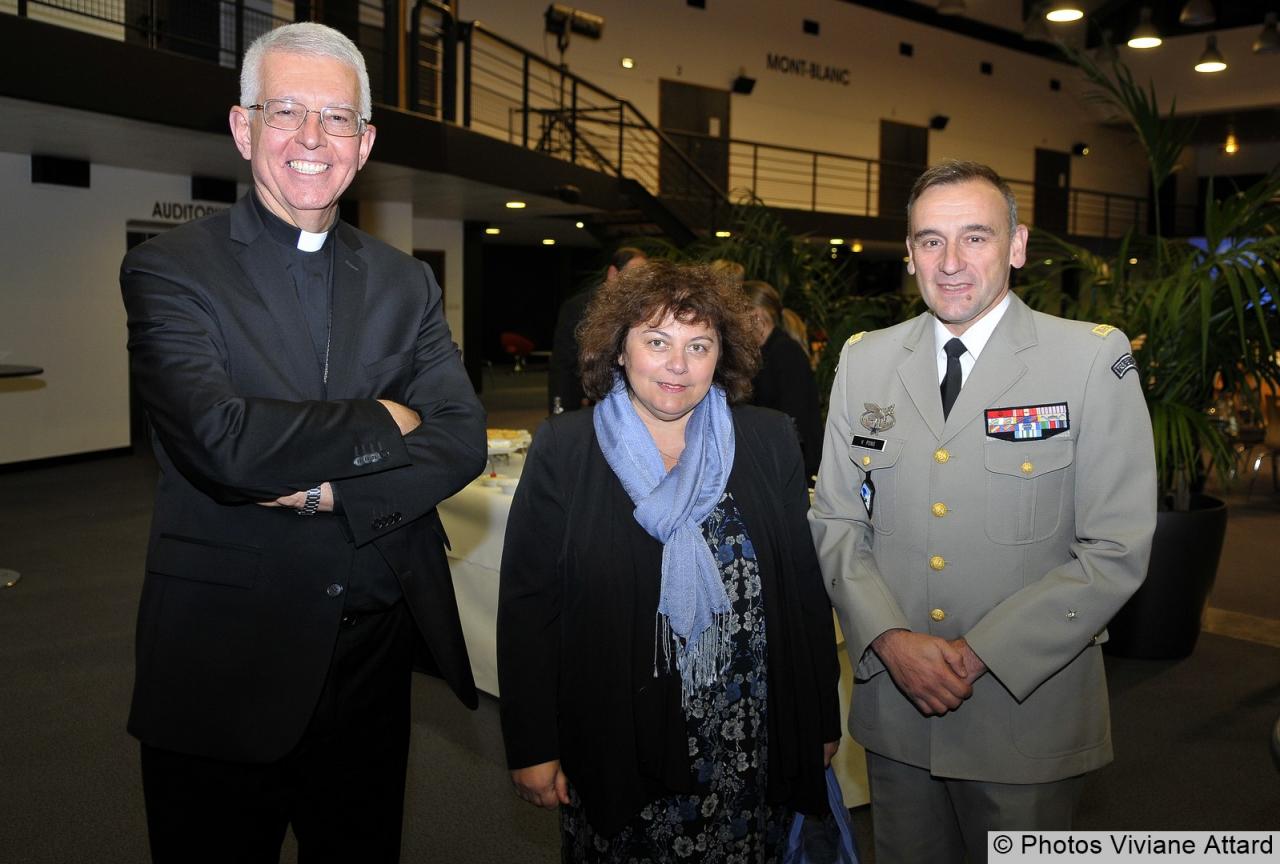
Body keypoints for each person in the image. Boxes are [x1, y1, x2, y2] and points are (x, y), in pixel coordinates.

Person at [119, 22, 486, 864]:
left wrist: (330, 491)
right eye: (286, 111)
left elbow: (462, 438)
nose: (313, 140)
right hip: (224, 660)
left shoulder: (406, 280)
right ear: (244, 128)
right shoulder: (172, 270)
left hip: (370, 660)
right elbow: (223, 443)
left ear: (366, 142)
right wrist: (386, 420)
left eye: (337, 118)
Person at [810, 160, 1156, 864]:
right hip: (898, 710)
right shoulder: (865, 361)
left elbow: (1115, 546)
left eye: (976, 237)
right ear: (909, 256)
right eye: (930, 241)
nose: (952, 262)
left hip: (1023, 715)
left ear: (1017, 246)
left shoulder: (1089, 360)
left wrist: (977, 655)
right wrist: (890, 640)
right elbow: (837, 520)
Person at [499, 261, 842, 861]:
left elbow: (803, 593)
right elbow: (530, 608)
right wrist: (532, 745)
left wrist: (818, 720)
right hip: (614, 735)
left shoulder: (768, 440)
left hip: (747, 738)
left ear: (722, 356)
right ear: (620, 350)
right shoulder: (565, 449)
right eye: (656, 342)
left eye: (697, 345)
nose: (677, 365)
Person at [548, 246, 646, 413]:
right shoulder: (579, 307)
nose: (641, 281)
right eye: (636, 274)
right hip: (585, 401)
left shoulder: (642, 309)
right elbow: (564, 363)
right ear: (613, 273)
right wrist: (561, 408)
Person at [744, 280, 823, 478]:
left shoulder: (785, 353)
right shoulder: (766, 353)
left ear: (758, 317)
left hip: (790, 465)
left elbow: (794, 420)